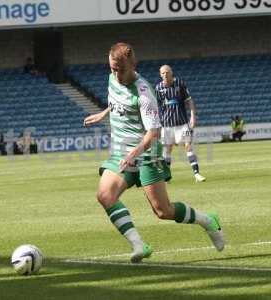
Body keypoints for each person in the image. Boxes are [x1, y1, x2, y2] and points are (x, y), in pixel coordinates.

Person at [83, 43, 224, 263]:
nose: (115, 73)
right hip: (121, 151)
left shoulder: (144, 93)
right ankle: (139, 245)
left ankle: (207, 220)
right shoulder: (112, 78)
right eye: (112, 68)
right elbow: (118, 100)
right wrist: (103, 114)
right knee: (105, 196)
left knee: (163, 211)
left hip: (147, 153)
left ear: (133, 65)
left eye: (120, 69)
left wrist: (134, 154)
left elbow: (154, 133)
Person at [155, 65, 206, 182]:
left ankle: (197, 174)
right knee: (167, 150)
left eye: (167, 72)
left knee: (188, 145)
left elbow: (189, 101)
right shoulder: (158, 88)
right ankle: (166, 177)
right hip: (166, 125)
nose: (165, 75)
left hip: (182, 123)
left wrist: (192, 116)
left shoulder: (179, 83)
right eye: (162, 73)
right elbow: (157, 106)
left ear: (171, 73)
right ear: (160, 75)